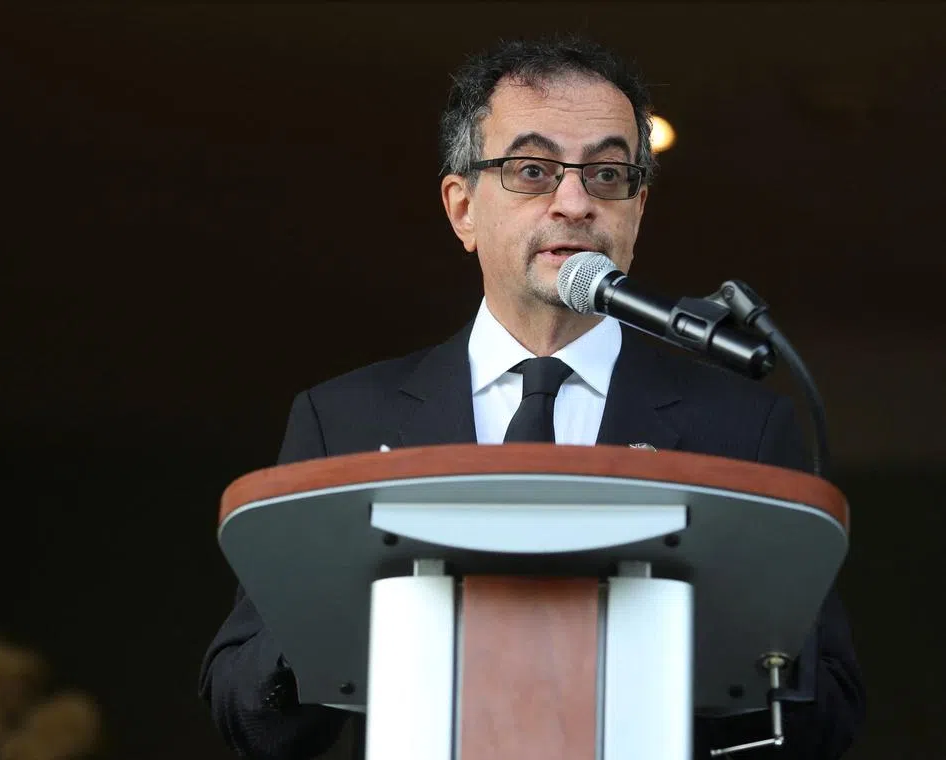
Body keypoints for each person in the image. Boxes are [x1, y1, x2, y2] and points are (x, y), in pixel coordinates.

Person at [199, 34, 865, 760]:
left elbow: (827, 717)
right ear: (462, 209)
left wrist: (715, 618)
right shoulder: (345, 420)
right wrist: (340, 604)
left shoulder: (743, 426)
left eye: (607, 174)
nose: (575, 203)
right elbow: (247, 713)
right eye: (532, 170)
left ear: (638, 209)